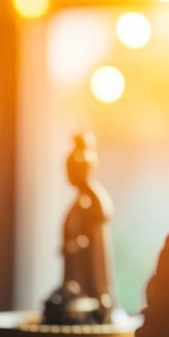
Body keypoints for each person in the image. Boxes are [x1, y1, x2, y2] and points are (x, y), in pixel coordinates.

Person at [42, 131, 116, 325]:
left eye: (73, 170)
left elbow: (94, 240)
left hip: (87, 273)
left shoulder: (93, 200)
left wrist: (76, 246)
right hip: (74, 270)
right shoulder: (80, 202)